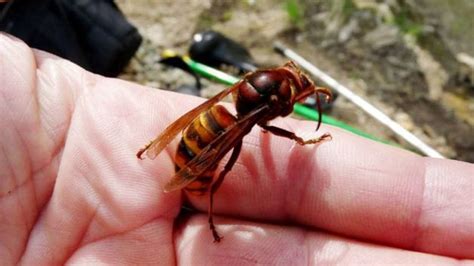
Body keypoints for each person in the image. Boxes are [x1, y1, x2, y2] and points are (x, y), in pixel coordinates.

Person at [1, 33, 473, 264]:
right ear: (275, 94)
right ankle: (206, 208)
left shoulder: (253, 89)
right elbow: (272, 124)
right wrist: (307, 133)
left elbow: (270, 113)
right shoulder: (257, 110)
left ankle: (184, 176)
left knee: (219, 132)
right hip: (207, 142)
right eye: (293, 90)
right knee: (225, 160)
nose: (295, 95)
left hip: (207, 122)